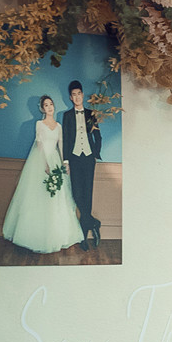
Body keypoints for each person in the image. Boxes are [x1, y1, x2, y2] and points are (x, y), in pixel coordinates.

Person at [2, 95, 85, 254]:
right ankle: (36, 234)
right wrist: (45, 164)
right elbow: (39, 145)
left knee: (57, 196)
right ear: (42, 108)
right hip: (41, 159)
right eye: (46, 105)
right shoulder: (39, 124)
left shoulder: (59, 126)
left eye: (51, 104)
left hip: (55, 159)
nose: (49, 107)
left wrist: (65, 162)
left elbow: (61, 145)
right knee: (39, 194)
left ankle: (58, 234)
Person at [61, 80, 102, 249]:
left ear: (83, 95)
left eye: (79, 94)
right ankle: (94, 223)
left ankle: (84, 238)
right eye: (74, 95)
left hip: (88, 159)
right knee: (77, 195)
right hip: (74, 159)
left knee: (87, 195)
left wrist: (95, 154)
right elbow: (65, 139)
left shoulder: (91, 114)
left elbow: (98, 136)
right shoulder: (67, 116)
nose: (77, 97)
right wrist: (66, 161)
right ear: (70, 97)